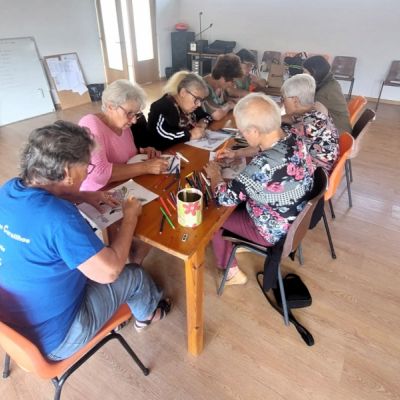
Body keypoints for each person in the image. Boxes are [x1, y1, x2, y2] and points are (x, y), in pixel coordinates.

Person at [0, 121, 171, 360]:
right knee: (135, 274)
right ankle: (148, 315)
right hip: (57, 338)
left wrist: (82, 195)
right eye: (87, 166)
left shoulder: (9, 189)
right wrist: (130, 217)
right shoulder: (60, 218)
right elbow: (110, 272)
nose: (87, 172)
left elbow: (41, 209)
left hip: (11, 325)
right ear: (67, 172)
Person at [204, 93, 314, 285]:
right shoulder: (292, 136)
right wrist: (237, 153)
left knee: (214, 216)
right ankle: (236, 244)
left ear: (254, 131)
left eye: (243, 132)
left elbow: (223, 198)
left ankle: (231, 273)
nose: (243, 136)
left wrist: (215, 175)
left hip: (271, 229)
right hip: (293, 215)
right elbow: (262, 149)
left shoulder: (262, 167)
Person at [79, 79, 168, 192]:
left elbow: (121, 156)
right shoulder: (90, 125)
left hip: (125, 184)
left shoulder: (122, 124)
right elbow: (99, 174)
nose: (134, 120)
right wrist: (146, 167)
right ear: (110, 106)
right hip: (99, 193)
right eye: (129, 113)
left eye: (136, 114)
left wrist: (142, 152)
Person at [281, 73, 339, 174]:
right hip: (325, 164)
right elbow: (292, 119)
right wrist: (277, 119)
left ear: (295, 101)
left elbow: (277, 142)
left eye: (283, 98)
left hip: (317, 175)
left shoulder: (306, 126)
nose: (282, 103)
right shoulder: (316, 109)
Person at [147, 71, 212, 151]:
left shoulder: (192, 105)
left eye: (201, 100)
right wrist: (190, 134)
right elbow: (160, 136)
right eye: (197, 99)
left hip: (187, 149)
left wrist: (203, 122)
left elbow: (207, 116)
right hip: (166, 153)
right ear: (183, 92)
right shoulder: (161, 107)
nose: (199, 104)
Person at [303, 55, 352, 134]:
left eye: (305, 72)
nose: (303, 74)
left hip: (338, 132)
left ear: (314, 73)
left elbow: (315, 120)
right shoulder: (331, 82)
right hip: (342, 127)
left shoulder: (323, 93)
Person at [202, 53, 243, 120]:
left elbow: (226, 100)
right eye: (233, 81)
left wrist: (239, 101)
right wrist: (229, 105)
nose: (234, 85)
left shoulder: (220, 86)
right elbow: (216, 115)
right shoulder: (203, 87)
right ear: (223, 76)